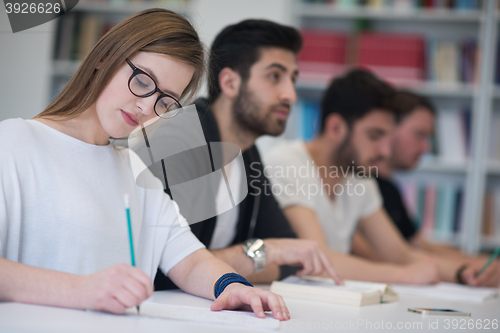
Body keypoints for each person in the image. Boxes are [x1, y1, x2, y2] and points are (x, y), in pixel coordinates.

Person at [0, 9, 291, 320]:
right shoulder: (14, 143)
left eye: (166, 102)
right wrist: (81, 290)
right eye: (142, 80)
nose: (146, 107)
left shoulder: (135, 170)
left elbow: (189, 259)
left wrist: (232, 286)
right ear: (105, 57)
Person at [153, 19, 340, 291]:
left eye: (292, 79)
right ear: (230, 82)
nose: (290, 94)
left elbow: (289, 257)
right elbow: (165, 267)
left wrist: (260, 254)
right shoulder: (180, 141)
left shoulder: (247, 154)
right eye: (275, 76)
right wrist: (264, 252)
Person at [263, 69, 443, 285]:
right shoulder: (286, 161)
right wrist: (405, 275)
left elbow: (399, 254)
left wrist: (466, 271)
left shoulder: (359, 175)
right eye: (374, 136)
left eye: (388, 138)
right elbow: (318, 262)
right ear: (336, 127)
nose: (385, 152)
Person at [352, 90, 500, 287]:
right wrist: (464, 269)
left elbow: (415, 246)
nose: (426, 148)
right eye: (419, 135)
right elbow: (383, 256)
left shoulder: (389, 189)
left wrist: (472, 264)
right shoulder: (357, 183)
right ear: (390, 129)